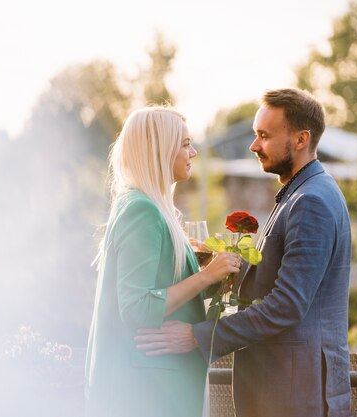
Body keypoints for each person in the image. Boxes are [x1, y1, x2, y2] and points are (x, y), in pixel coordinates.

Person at [136, 89, 353, 417]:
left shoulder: (311, 202)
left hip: (294, 396)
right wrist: (222, 268)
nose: (253, 145)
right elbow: (277, 282)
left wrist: (199, 337)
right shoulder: (302, 193)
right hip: (289, 392)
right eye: (255, 135)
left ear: (300, 139)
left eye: (264, 136)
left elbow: (287, 305)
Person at [84, 106, 242, 417]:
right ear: (159, 150)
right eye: (184, 144)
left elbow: (163, 292)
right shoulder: (141, 210)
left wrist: (212, 279)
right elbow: (137, 307)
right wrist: (206, 276)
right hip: (145, 391)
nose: (193, 152)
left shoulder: (146, 206)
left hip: (154, 387)